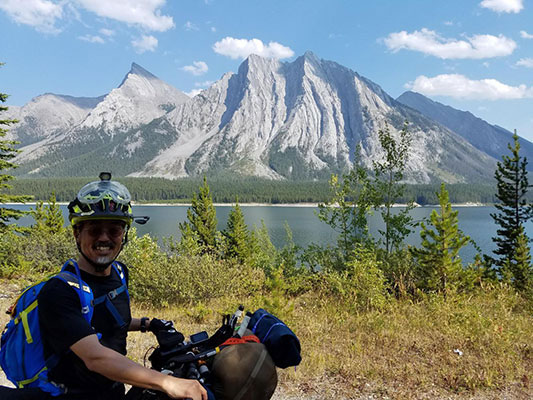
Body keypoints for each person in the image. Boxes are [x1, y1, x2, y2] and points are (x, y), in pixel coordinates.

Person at [0, 172, 207, 400]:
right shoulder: (59, 292)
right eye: (94, 230)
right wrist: (168, 383)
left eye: (114, 230)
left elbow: (111, 322)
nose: (104, 238)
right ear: (77, 234)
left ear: (124, 234)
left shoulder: (119, 273)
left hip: (114, 391)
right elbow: (94, 356)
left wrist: (149, 324)